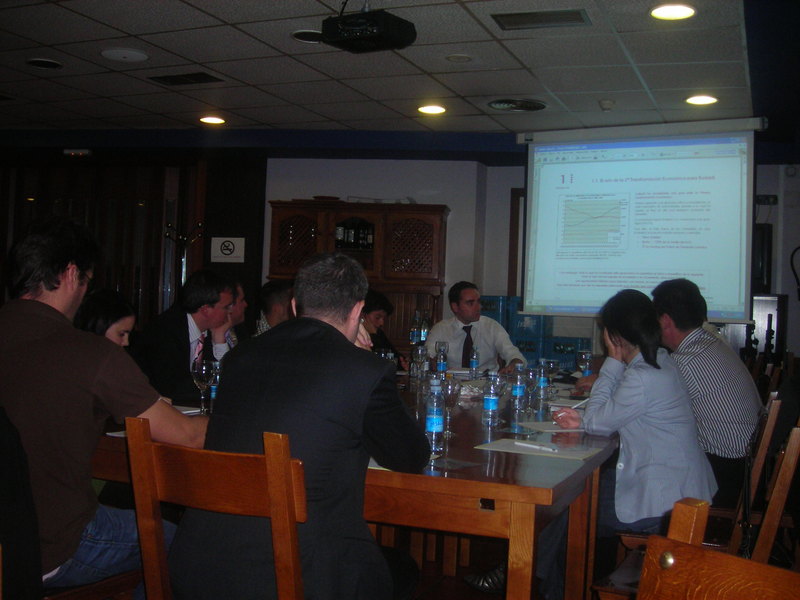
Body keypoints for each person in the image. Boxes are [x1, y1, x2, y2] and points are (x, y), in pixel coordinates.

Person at [168, 252, 431, 600]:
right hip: (298, 575)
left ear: (295, 305)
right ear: (357, 311)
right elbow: (411, 456)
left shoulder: (238, 357)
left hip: (199, 566)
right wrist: (365, 360)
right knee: (403, 568)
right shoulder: (363, 370)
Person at [0, 217, 208, 591]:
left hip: (9, 545)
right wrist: (230, 416)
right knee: (184, 542)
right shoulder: (91, 353)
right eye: (87, 281)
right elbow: (188, 436)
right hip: (53, 547)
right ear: (71, 274)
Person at [554, 289, 716, 580]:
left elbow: (599, 422)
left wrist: (612, 362)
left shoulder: (642, 376)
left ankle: (544, 585)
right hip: (683, 489)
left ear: (614, 336)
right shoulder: (661, 361)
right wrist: (589, 419)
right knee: (574, 500)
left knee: (567, 507)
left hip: (663, 504)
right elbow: (609, 415)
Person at [651, 278, 762, 507]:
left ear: (665, 321)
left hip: (726, 475)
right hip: (747, 466)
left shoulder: (685, 361)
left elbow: (643, 409)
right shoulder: (711, 343)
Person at [131, 269, 235, 406]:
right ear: (205, 310)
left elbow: (229, 378)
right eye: (226, 307)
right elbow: (172, 388)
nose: (231, 311)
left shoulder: (211, 331)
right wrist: (221, 387)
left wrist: (219, 340)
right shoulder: (164, 331)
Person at [426, 281, 525, 374]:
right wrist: (431, 362)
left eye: (478, 302)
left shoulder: (492, 326)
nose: (478, 307)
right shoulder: (441, 329)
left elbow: (514, 355)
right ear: (455, 307)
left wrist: (514, 364)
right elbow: (427, 355)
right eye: (470, 303)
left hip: (485, 382)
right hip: (451, 382)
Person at [362, 289, 409, 370]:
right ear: (362, 314)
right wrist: (373, 335)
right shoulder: (353, 336)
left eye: (383, 318)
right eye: (377, 317)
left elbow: (395, 357)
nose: (382, 323)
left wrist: (405, 363)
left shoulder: (379, 334)